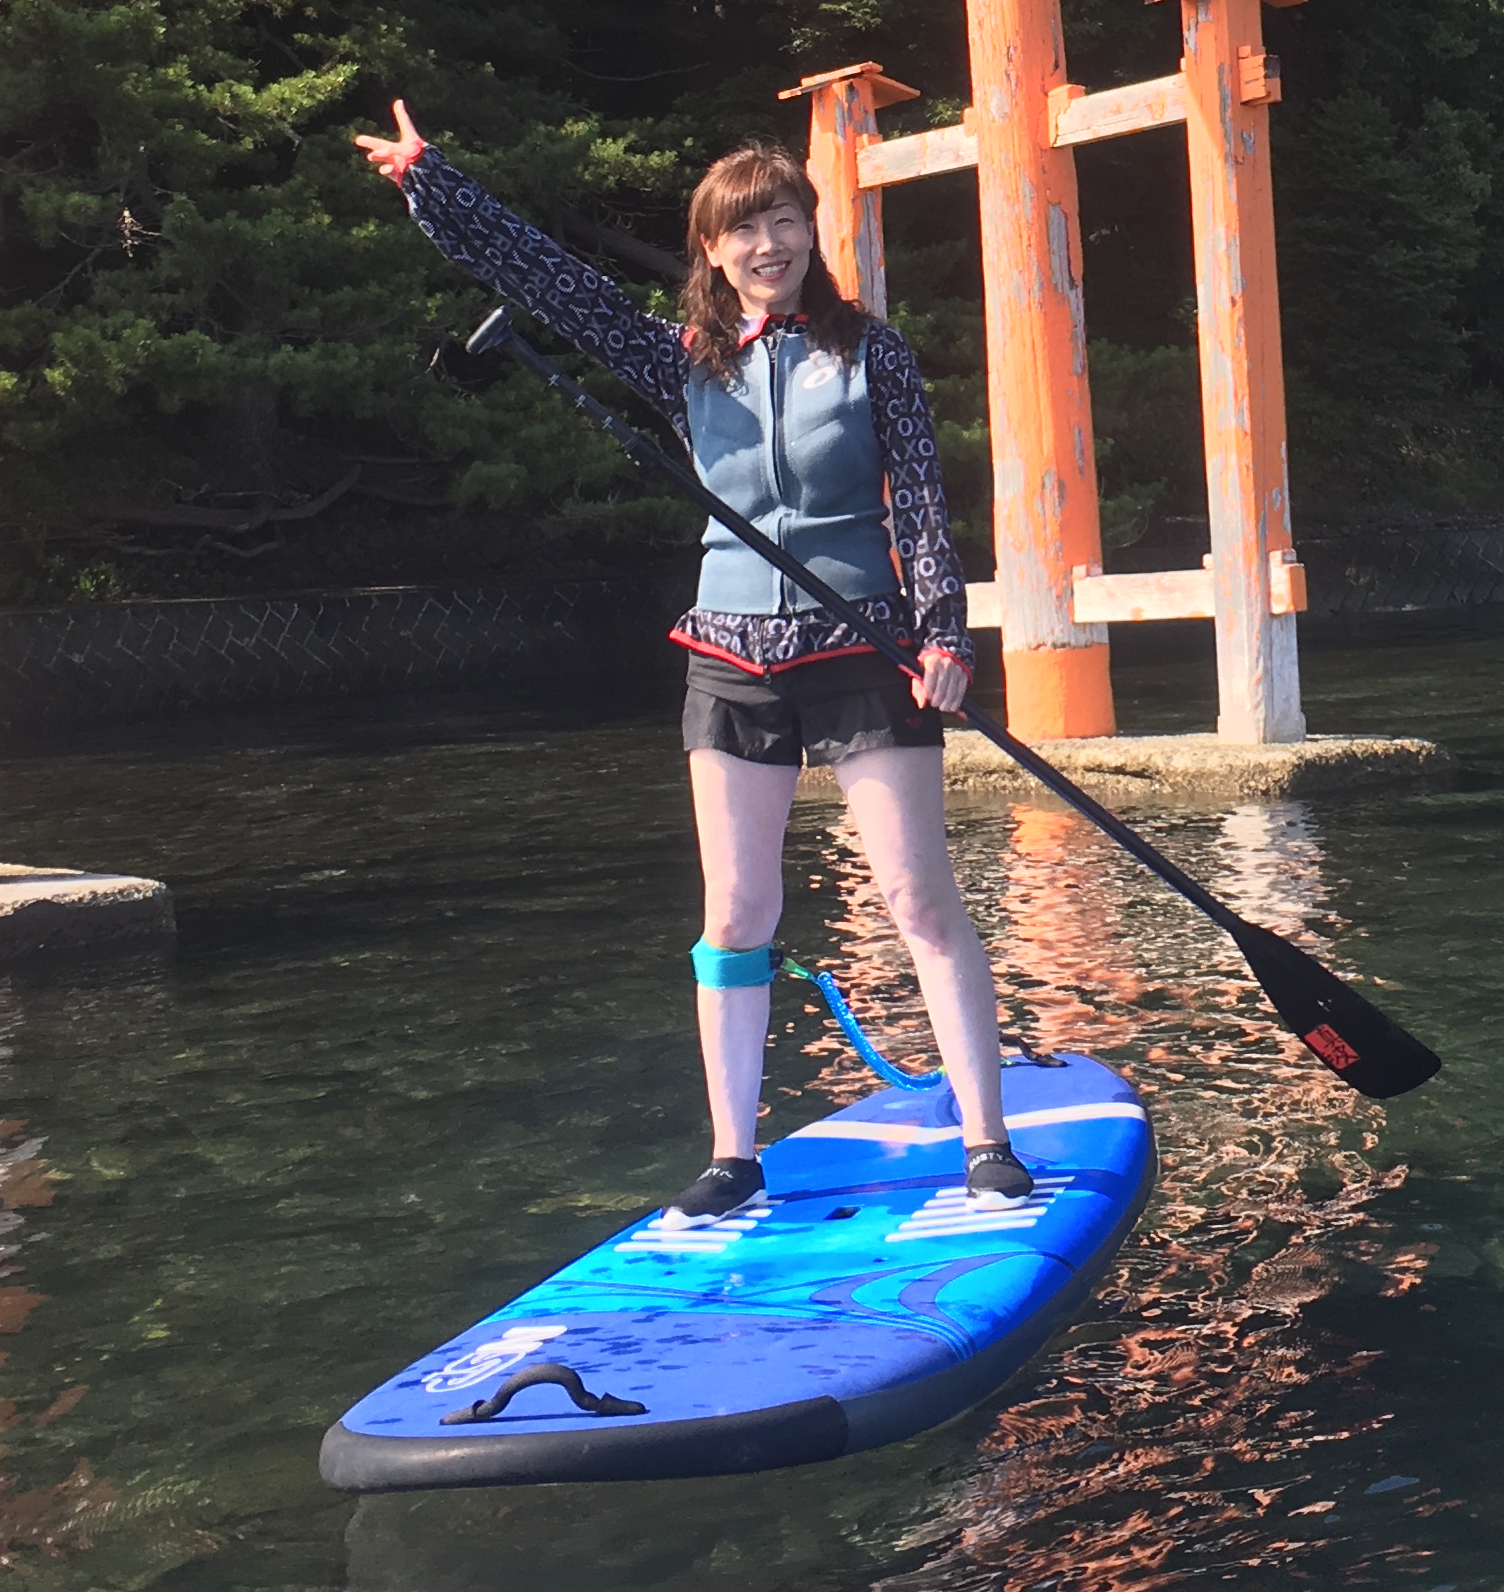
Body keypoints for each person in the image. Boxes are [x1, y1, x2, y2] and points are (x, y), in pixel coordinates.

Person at [355, 99, 1029, 1212]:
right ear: (713, 251)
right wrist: (437, 184)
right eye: (743, 230)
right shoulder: (683, 363)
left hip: (862, 640)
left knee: (916, 895)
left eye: (785, 223)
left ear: (811, 234)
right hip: (729, 655)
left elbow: (918, 501)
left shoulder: (874, 355)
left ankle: (988, 1140)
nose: (769, 246)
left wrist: (945, 633)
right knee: (736, 913)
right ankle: (732, 1156)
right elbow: (552, 286)